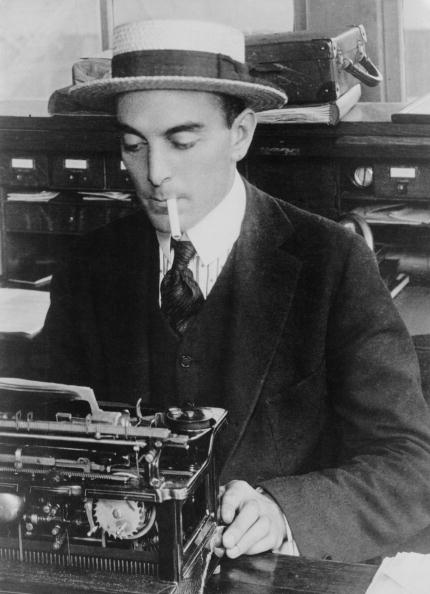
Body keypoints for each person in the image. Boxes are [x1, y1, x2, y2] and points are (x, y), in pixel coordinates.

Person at [36, 19, 430, 564]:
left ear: (240, 134)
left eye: (182, 142)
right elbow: (50, 422)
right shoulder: (90, 265)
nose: (155, 173)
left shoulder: (333, 263)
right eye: (133, 145)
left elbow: (410, 463)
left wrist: (283, 511)